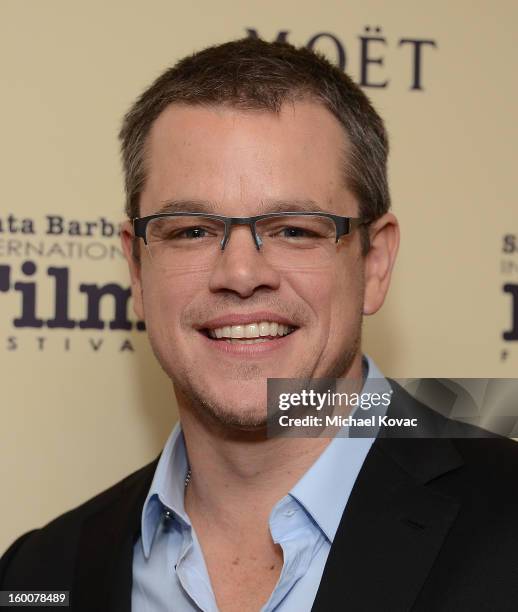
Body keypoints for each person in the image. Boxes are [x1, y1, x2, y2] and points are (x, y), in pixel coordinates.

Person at [1, 37, 518, 612]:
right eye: (191, 230)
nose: (241, 273)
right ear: (137, 267)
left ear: (374, 263)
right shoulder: (40, 574)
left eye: (294, 229)